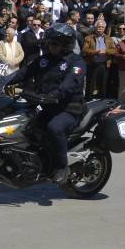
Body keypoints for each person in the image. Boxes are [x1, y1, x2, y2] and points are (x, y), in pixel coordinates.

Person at [16, 23, 85, 184]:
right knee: (25, 127)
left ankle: (62, 166)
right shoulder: (44, 60)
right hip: (46, 106)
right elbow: (24, 72)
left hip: (68, 109)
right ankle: (35, 162)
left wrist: (55, 94)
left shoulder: (76, 62)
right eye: (49, 43)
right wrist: (3, 82)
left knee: (54, 127)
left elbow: (71, 83)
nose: (50, 46)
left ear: (65, 45)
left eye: (54, 43)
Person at [81, 18, 115, 99]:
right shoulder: (89, 38)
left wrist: (106, 51)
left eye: (102, 27)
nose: (100, 29)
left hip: (104, 64)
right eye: (98, 27)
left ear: (104, 28)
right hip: (92, 64)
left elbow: (114, 50)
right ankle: (88, 101)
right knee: (90, 85)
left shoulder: (109, 39)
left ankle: (101, 102)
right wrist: (96, 52)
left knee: (103, 85)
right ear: (95, 27)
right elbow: (84, 50)